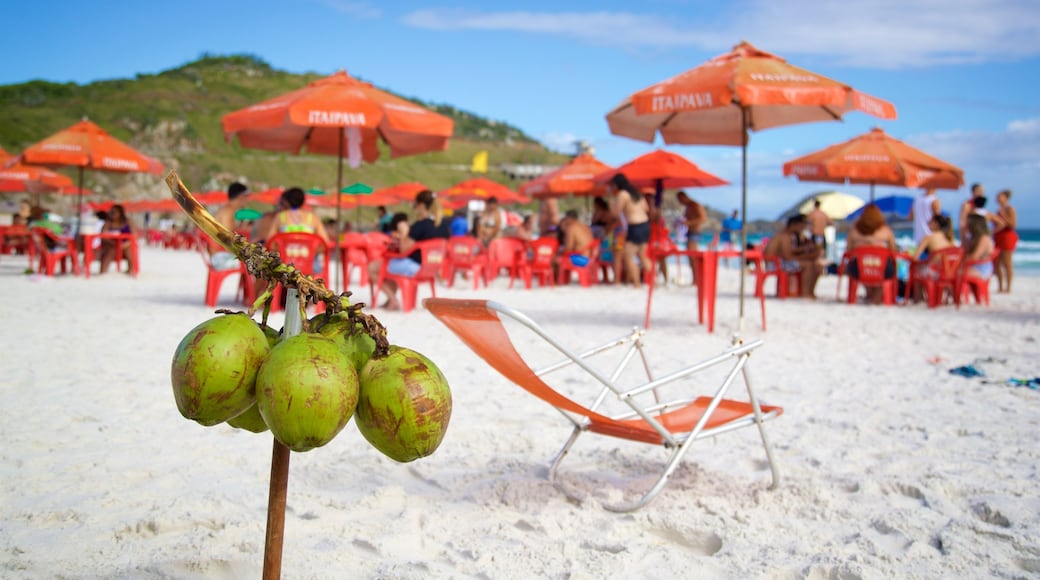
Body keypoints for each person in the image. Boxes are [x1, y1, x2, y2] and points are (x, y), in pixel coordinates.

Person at [371, 189, 449, 310]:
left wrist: (404, 232)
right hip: (432, 268)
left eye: (415, 205)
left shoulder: (420, 225)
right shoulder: (443, 225)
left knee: (372, 268)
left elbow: (403, 250)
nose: (415, 208)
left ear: (422, 205)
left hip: (415, 268)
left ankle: (393, 299)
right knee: (391, 267)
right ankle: (390, 299)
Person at [845, 204, 899, 303]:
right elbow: (893, 251)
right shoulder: (886, 231)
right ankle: (876, 297)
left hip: (860, 270)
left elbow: (848, 251)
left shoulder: (854, 231)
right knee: (885, 269)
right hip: (882, 270)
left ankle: (870, 293)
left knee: (861, 266)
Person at [762, 214, 821, 298]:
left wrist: (806, 249)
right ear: (795, 225)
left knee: (816, 265)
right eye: (802, 224)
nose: (804, 227)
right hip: (774, 264)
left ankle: (810, 292)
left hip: (780, 262)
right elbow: (788, 257)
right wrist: (808, 256)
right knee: (808, 265)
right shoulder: (784, 236)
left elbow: (791, 253)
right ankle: (805, 293)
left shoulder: (791, 236)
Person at [610, 173, 650, 288]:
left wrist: (612, 203)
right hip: (645, 224)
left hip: (635, 225)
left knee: (628, 256)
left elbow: (616, 213)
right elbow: (646, 208)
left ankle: (637, 284)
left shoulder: (622, 194)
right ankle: (653, 281)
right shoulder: (636, 193)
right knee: (642, 255)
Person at [265, 187, 331, 245]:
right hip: (307, 257)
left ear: (287, 201)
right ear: (303, 201)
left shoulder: (281, 217)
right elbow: (325, 241)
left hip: (284, 257)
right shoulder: (312, 218)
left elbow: (269, 241)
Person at [209, 182, 251, 271]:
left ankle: (246, 285)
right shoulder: (228, 211)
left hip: (218, 256)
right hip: (220, 258)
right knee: (258, 264)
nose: (248, 200)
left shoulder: (227, 209)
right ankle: (249, 285)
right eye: (247, 196)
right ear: (241, 197)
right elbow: (229, 239)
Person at [988, 189, 1017, 293]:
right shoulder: (998, 210)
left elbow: (1013, 225)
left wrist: (1003, 215)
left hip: (1007, 237)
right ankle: (1000, 287)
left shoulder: (1010, 209)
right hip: (998, 237)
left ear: (1005, 197)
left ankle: (1008, 288)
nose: (997, 198)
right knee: (996, 263)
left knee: (1007, 263)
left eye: (999, 196)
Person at [99, 204, 133, 274]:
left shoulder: (128, 222)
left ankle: (131, 271)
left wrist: (126, 243)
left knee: (129, 251)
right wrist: (113, 243)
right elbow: (103, 235)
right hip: (111, 244)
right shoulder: (108, 223)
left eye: (114, 212)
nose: (112, 214)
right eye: (111, 212)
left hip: (126, 244)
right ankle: (103, 272)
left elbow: (134, 234)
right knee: (111, 250)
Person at [963, 213, 995, 280]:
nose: (966, 225)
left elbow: (974, 256)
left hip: (981, 268)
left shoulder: (984, 239)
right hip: (974, 266)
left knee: (955, 274)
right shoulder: (973, 238)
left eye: (968, 224)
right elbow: (964, 251)